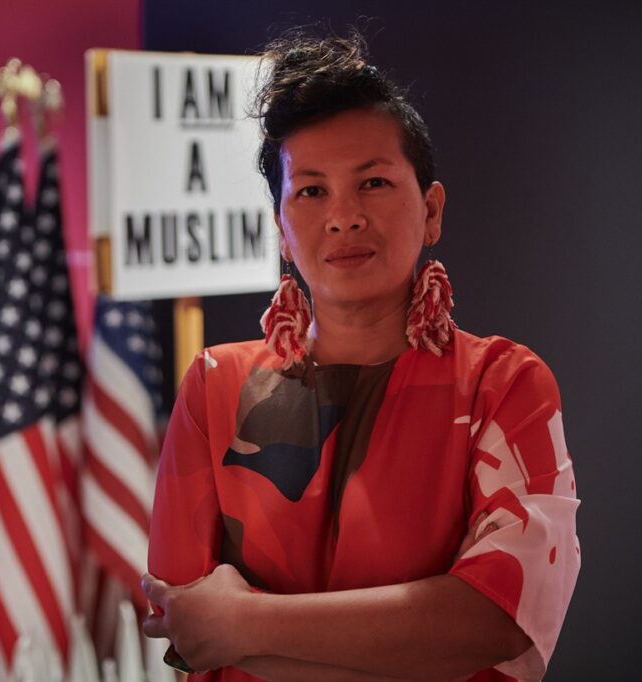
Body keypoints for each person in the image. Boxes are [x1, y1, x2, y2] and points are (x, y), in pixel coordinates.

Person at [141, 29, 580, 682]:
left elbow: (496, 618)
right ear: (281, 232)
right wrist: (412, 640)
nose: (343, 217)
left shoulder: (502, 383)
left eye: (372, 182)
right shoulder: (215, 385)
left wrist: (243, 623)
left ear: (431, 210)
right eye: (311, 191)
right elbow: (186, 625)